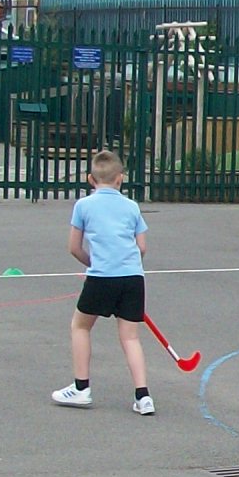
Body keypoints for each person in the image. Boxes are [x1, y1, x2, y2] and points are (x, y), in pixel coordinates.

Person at [51, 149, 155, 416]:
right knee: (130, 337)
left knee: (80, 326)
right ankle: (143, 396)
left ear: (90, 179)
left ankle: (81, 388)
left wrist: (92, 262)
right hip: (132, 277)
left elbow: (74, 247)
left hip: (101, 277)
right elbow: (141, 247)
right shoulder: (131, 206)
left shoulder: (84, 206)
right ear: (120, 179)